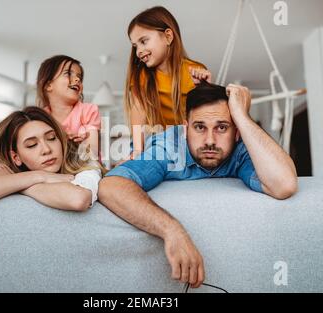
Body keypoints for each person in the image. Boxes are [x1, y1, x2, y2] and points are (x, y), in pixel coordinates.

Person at [99, 82, 298, 288]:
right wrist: (172, 231)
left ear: (237, 132)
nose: (210, 140)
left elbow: (284, 184)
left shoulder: (239, 149)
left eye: (222, 127)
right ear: (186, 129)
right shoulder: (169, 147)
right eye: (200, 127)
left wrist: (242, 117)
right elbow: (111, 185)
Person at [0, 106, 103, 211]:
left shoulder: (83, 162)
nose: (46, 149)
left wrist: (16, 183)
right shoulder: (3, 168)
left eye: (51, 138)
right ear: (16, 157)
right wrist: (39, 176)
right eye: (32, 145)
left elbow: (78, 199)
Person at [124, 6, 213, 159]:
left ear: (168, 37)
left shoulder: (195, 70)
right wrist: (138, 150)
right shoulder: (142, 76)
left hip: (188, 139)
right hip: (157, 139)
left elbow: (209, 116)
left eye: (143, 41)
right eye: (135, 46)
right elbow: (138, 111)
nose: (138, 51)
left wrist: (205, 88)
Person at [36, 54, 101, 161]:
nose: (77, 79)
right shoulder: (40, 118)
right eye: (68, 74)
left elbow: (92, 152)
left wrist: (80, 145)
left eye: (79, 77)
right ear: (48, 85)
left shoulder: (88, 111)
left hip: (85, 166)